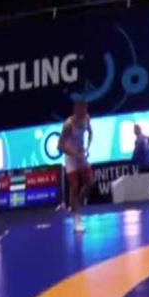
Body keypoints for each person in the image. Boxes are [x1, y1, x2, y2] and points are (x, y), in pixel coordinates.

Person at [59, 98, 94, 233]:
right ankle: (77, 219)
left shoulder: (87, 119)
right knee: (74, 186)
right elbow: (60, 146)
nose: (83, 111)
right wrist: (74, 153)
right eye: (80, 108)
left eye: (85, 108)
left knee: (90, 184)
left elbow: (90, 132)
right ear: (75, 109)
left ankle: (75, 203)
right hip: (71, 157)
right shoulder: (68, 125)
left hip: (81, 155)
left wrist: (87, 148)